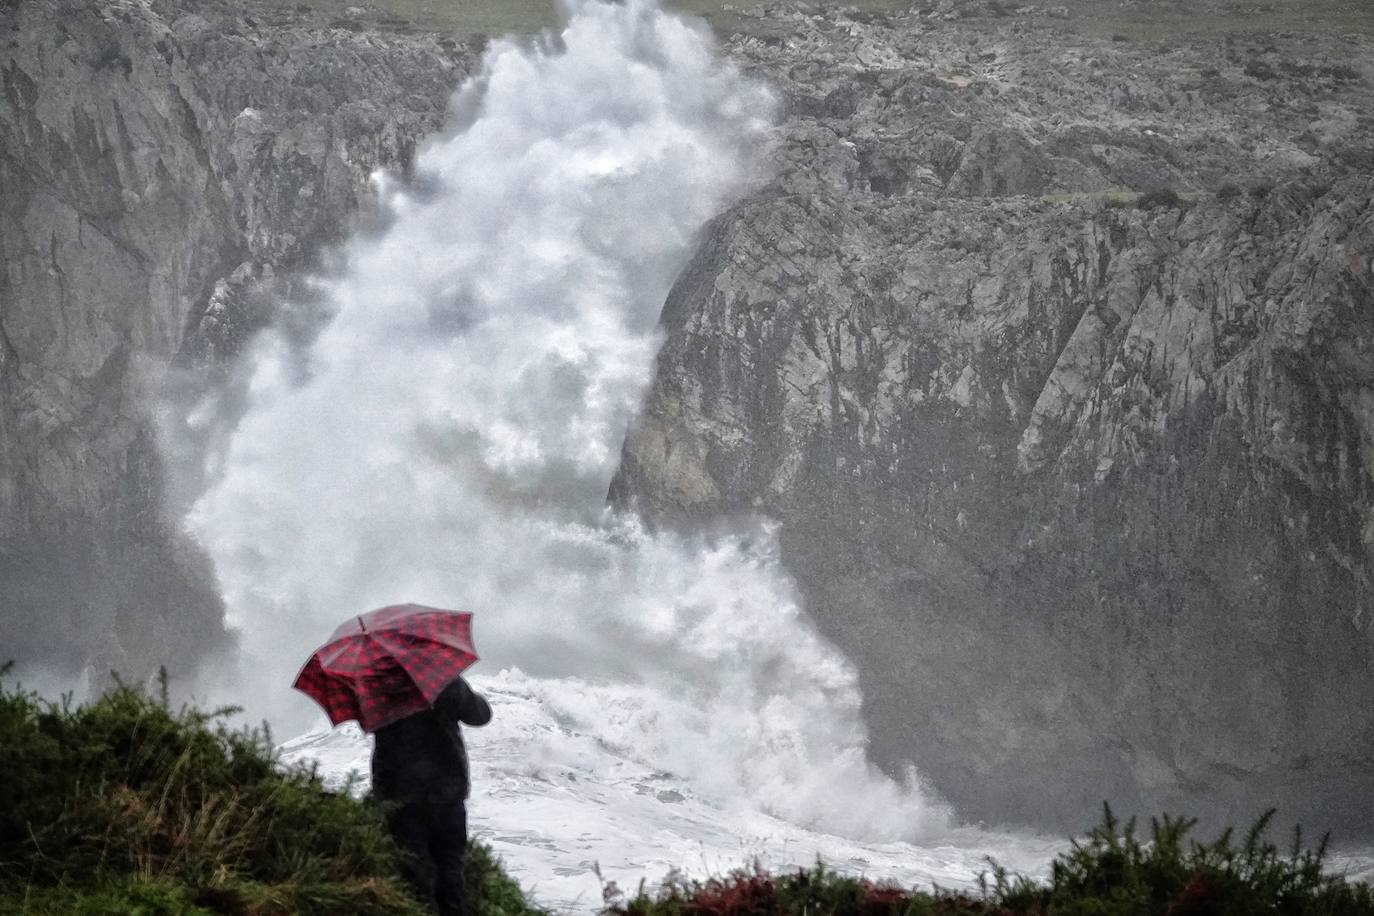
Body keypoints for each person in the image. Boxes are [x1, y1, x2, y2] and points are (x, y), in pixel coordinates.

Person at [371, 674, 492, 916]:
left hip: (401, 796)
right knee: (450, 869)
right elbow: (481, 715)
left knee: (414, 873)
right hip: (447, 793)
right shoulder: (443, 678)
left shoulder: (377, 686)